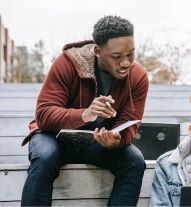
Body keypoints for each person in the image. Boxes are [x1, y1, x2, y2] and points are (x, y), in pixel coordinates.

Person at [21, 15, 149, 206]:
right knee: (45, 157)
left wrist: (115, 141)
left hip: (93, 142)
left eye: (131, 54)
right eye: (117, 56)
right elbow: (44, 114)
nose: (125, 63)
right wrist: (85, 114)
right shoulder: (67, 63)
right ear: (98, 50)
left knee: (135, 161)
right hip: (52, 136)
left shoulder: (138, 76)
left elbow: (130, 123)